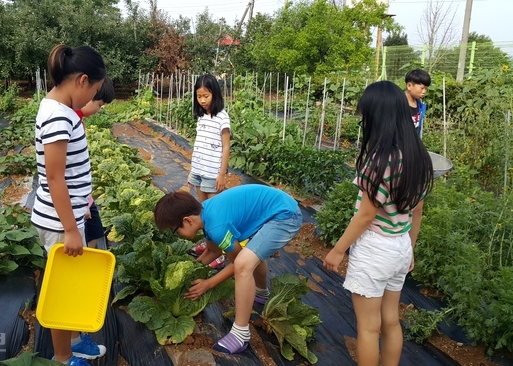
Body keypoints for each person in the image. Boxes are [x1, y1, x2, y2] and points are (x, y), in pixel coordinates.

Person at [323, 81, 434, 366]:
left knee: (368, 328)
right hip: (400, 245)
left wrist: (338, 250)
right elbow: (417, 210)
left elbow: (365, 215)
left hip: (375, 249)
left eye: (365, 114)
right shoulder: (417, 155)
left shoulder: (380, 159)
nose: (364, 120)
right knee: (391, 322)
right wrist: (410, 248)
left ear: (377, 115)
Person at [154, 184, 303, 354]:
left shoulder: (217, 226)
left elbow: (236, 264)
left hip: (284, 216)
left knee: (243, 263)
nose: (177, 235)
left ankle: (240, 334)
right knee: (252, 255)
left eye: (175, 231)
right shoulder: (205, 213)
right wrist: (188, 271)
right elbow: (213, 250)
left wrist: (208, 283)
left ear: (187, 221)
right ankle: (261, 293)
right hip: (271, 210)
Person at [32, 44, 107, 366]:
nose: (91, 99)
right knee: (62, 293)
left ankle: (74, 342)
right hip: (58, 223)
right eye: (94, 91)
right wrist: (71, 229)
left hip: (69, 215)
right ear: (82, 81)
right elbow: (55, 177)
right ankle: (63, 357)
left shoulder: (60, 110)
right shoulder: (58, 115)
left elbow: (71, 174)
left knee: (70, 286)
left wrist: (82, 208)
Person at [187, 74, 231, 268]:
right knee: (204, 214)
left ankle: (221, 252)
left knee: (216, 216)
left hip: (213, 173)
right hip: (199, 171)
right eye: (199, 96)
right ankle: (209, 246)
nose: (202, 100)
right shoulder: (201, 117)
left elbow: (226, 147)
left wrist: (221, 174)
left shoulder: (222, 117)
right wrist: (192, 172)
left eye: (206, 96)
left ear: (215, 94)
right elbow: (198, 146)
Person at [74, 77, 114, 249]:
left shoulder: (78, 119)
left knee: (96, 232)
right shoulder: (71, 121)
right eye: (99, 104)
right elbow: (68, 170)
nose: (99, 109)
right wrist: (82, 203)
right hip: (78, 200)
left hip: (85, 197)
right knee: (90, 235)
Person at [404, 69, 431, 137]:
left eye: (426, 89)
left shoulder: (420, 106)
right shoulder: (398, 104)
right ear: (409, 86)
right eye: (422, 88)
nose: (424, 91)